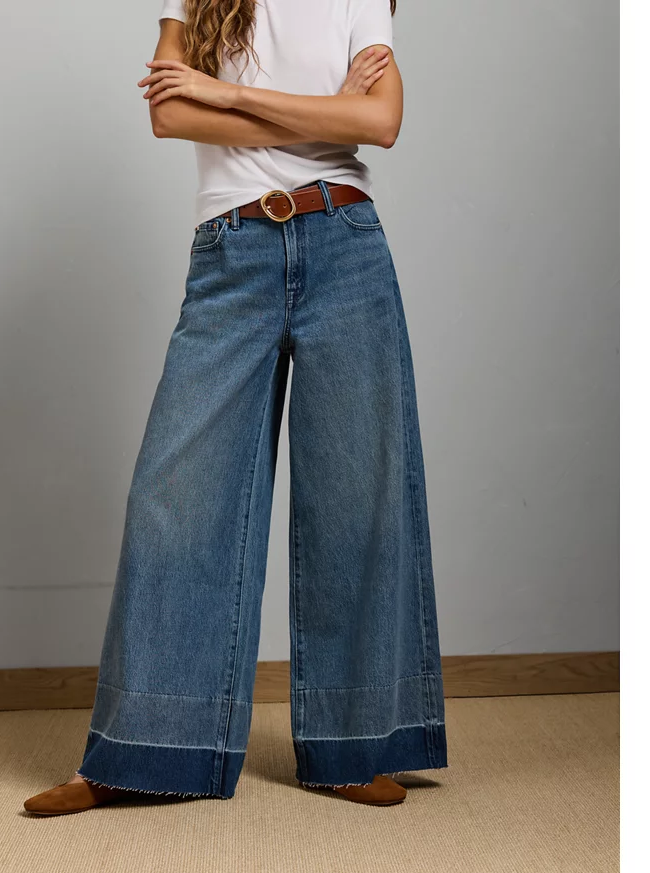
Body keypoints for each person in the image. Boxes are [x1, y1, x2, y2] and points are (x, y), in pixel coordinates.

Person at [24, 0, 447, 815]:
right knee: (174, 499)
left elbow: (381, 122)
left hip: (345, 244)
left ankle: (351, 745)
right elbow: (169, 116)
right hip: (232, 252)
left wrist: (226, 94)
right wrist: (324, 113)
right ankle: (141, 753)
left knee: (356, 498)